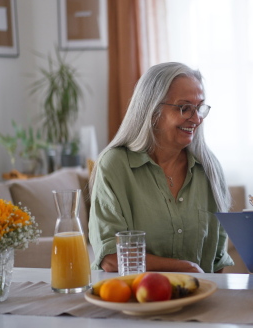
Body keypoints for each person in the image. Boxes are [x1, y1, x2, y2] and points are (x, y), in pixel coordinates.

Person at [88, 62, 234, 274]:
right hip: (132, 301)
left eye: (200, 107)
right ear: (153, 110)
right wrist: (185, 268)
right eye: (185, 108)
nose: (196, 119)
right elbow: (110, 257)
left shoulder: (209, 169)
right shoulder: (116, 166)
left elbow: (217, 260)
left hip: (197, 301)